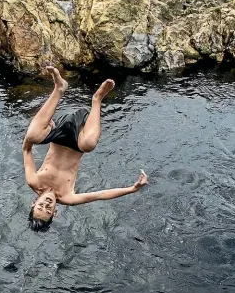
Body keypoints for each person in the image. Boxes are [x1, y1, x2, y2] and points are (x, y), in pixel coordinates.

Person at [23, 67, 149, 232]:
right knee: (89, 144)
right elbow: (100, 195)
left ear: (34, 203)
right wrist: (133, 189)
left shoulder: (34, 181)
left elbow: (26, 150)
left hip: (57, 132)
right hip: (79, 137)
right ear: (56, 212)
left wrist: (36, 135)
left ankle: (59, 88)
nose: (46, 205)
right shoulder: (68, 197)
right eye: (49, 210)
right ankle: (97, 99)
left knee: (32, 135)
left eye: (40, 207)